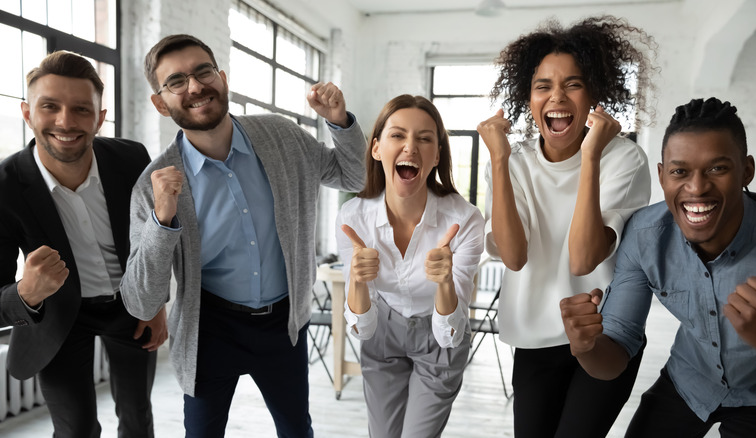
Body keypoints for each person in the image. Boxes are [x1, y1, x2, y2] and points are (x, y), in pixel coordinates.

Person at [119, 34, 366, 437]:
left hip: (285, 324)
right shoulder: (153, 186)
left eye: (203, 72)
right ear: (160, 104)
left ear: (223, 78)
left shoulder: (282, 136)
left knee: (296, 430)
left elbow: (354, 176)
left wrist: (339, 122)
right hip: (210, 330)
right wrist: (162, 221)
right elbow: (142, 301)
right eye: (176, 81)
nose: (195, 86)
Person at [477, 15, 657, 437]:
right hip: (534, 337)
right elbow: (514, 257)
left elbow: (583, 258)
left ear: (595, 94)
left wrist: (590, 157)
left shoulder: (624, 160)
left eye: (573, 84)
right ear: (528, 98)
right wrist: (499, 159)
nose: (556, 96)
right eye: (543, 86)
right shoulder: (514, 163)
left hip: (604, 333)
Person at [560, 97, 756, 438]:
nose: (697, 188)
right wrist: (585, 347)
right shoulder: (645, 236)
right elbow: (614, 357)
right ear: (662, 176)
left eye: (717, 169)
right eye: (680, 172)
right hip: (690, 381)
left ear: (746, 171)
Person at [0, 51, 166, 438]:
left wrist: (155, 301)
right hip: (59, 316)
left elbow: (153, 239)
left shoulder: (132, 158)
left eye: (81, 109)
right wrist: (26, 292)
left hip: (130, 305)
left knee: (137, 419)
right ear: (27, 113)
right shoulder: (4, 187)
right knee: (75, 429)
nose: (65, 122)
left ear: (99, 117)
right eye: (49, 106)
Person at [335, 94, 484, 438]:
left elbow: (449, 333)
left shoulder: (464, 220)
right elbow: (363, 330)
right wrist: (358, 281)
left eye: (424, 138)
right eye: (398, 135)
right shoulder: (352, 217)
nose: (410, 147)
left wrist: (445, 282)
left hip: (439, 336)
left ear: (437, 155)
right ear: (376, 149)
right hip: (382, 333)